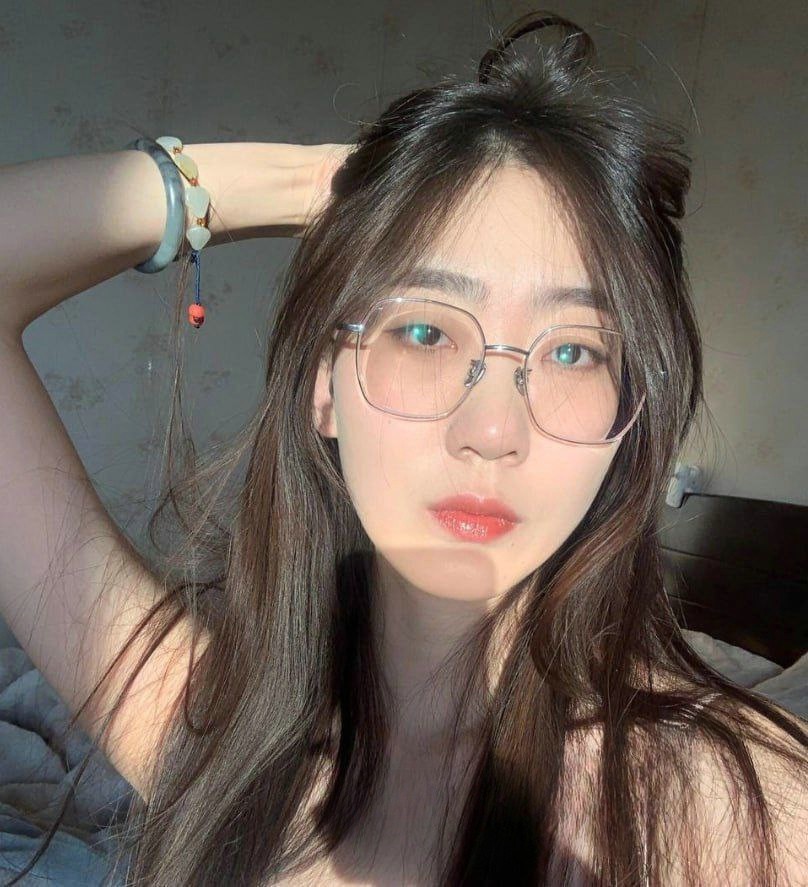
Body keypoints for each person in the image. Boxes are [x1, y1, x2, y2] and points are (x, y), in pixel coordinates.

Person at [0, 10, 806, 886]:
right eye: (424, 330)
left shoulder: (732, 806)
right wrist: (315, 185)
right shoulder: (208, 724)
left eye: (574, 351)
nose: (492, 431)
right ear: (325, 384)